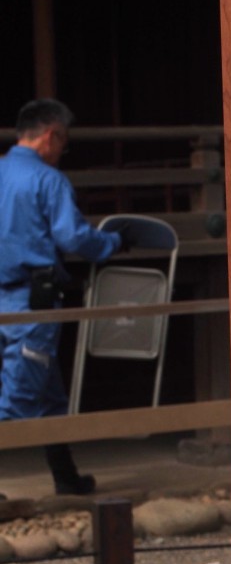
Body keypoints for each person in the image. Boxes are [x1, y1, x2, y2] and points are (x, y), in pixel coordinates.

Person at [0, 99, 124, 495]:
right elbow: (72, 236)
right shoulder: (47, 179)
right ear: (51, 135)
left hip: (4, 295)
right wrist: (114, 241)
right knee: (18, 394)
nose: (61, 152)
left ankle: (66, 476)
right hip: (33, 301)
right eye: (64, 143)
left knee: (49, 393)